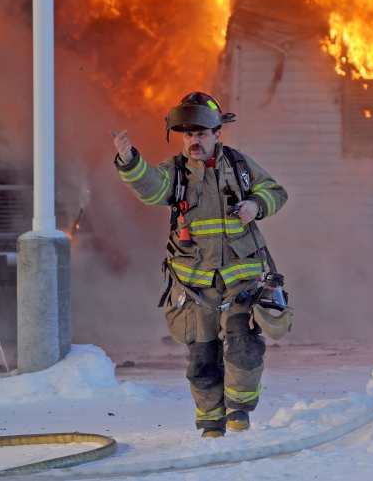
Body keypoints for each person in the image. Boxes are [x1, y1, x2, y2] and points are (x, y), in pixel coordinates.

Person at [112, 92, 288, 438]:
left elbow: (276, 191)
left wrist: (255, 204)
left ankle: (239, 410)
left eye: (202, 135)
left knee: (243, 344)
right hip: (194, 286)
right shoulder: (174, 172)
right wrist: (130, 160)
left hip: (241, 278)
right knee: (201, 359)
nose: (195, 142)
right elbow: (150, 189)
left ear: (217, 134)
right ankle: (210, 422)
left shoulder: (239, 166)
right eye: (189, 135)